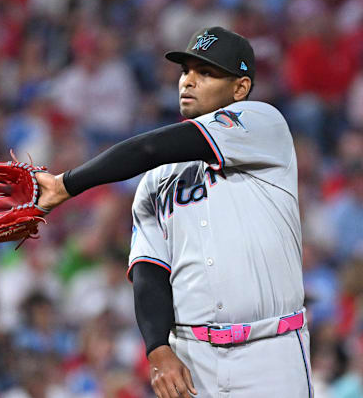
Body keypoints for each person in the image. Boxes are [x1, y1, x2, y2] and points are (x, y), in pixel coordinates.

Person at [34, 26, 311, 397]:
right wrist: (157, 349)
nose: (188, 82)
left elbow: (150, 147)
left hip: (271, 352)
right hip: (192, 357)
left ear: (240, 88)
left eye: (206, 73)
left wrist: (66, 183)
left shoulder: (264, 124)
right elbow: (149, 270)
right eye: (186, 71)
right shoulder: (155, 180)